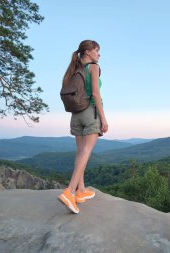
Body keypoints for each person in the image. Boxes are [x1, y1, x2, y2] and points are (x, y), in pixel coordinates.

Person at [58, 40, 108, 214]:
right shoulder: (93, 67)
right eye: (97, 51)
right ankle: (70, 192)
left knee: (80, 153)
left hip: (75, 115)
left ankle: (81, 190)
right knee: (86, 152)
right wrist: (103, 118)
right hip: (90, 113)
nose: (99, 54)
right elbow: (95, 93)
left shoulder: (74, 69)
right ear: (87, 52)